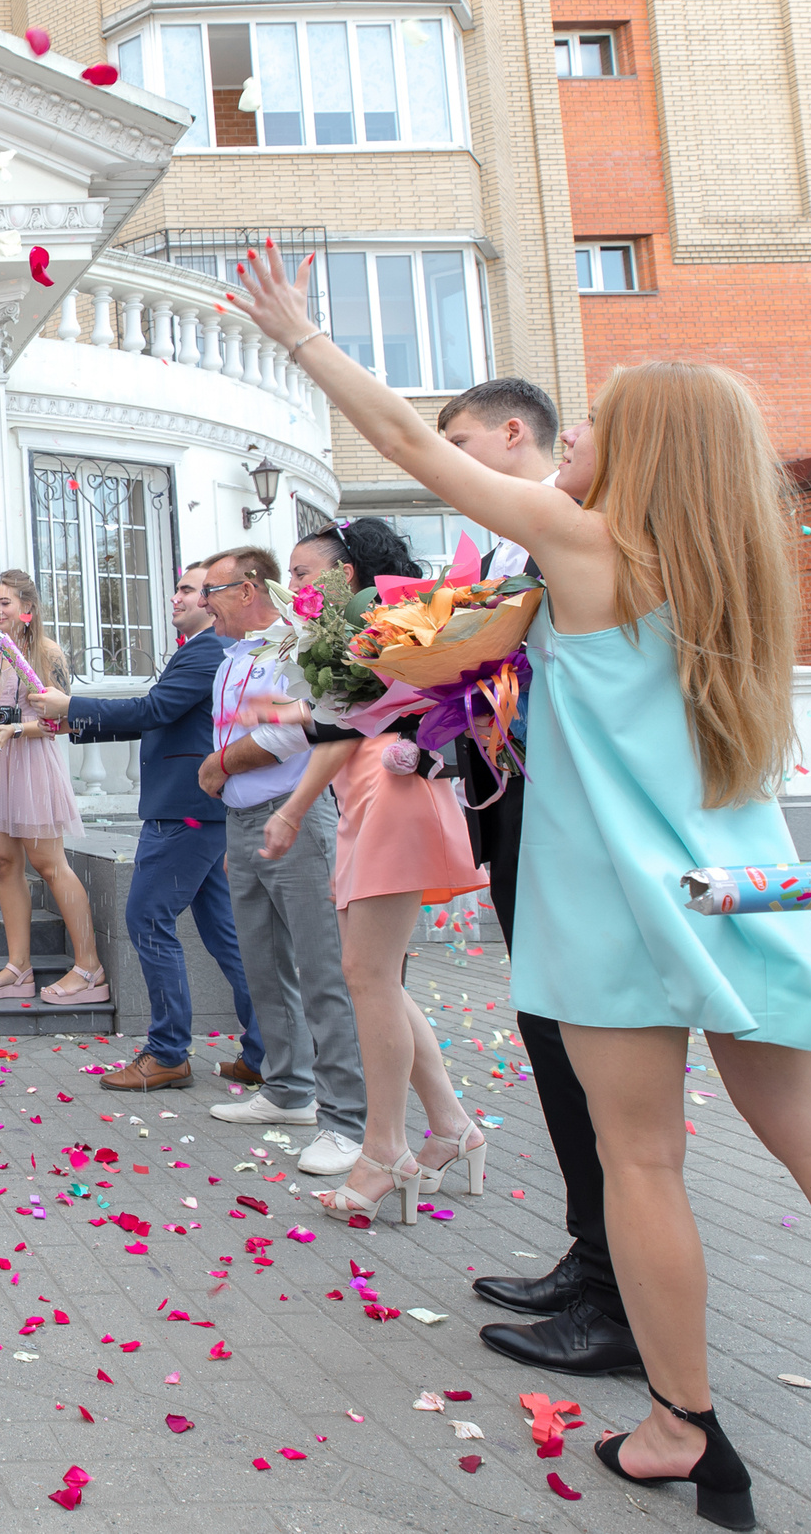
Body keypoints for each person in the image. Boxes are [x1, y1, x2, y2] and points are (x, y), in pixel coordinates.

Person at [235, 244, 811, 1529]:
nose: (566, 441)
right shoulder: (736, 576)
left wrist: (301, 337)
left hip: (622, 910)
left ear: (638, 456)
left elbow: (412, 440)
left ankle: (685, 1428)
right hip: (749, 894)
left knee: (641, 1162)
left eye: (592, 428)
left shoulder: (583, 548)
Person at [438, 383, 639, 1373]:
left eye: (462, 439)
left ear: (512, 434)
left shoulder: (574, 538)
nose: (454, 457)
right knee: (548, 1039)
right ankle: (591, 1251)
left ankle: (618, 1290)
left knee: (583, 1056)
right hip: (523, 814)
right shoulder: (514, 553)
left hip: (572, 830)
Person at [251, 521, 489, 1224]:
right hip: (373, 792)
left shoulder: (380, 626)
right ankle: (449, 1126)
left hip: (389, 790)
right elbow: (335, 718)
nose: (292, 586)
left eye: (303, 572)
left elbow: (342, 725)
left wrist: (292, 806)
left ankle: (386, 1147)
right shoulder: (372, 629)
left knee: (368, 975)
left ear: (346, 573)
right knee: (375, 974)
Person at [29, 562, 264, 1089]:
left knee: (147, 918)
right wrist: (71, 719)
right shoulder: (204, 651)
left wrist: (73, 706)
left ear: (216, 598)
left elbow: (154, 709)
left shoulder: (208, 650)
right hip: (196, 809)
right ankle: (266, 1051)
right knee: (225, 935)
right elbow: (162, 717)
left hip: (184, 810)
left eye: (188, 589)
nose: (175, 597)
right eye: (177, 587)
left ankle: (168, 1051)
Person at [193, 546, 364, 1180]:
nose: (202, 600)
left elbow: (303, 728)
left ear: (246, 590)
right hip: (243, 819)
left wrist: (222, 765)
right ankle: (288, 1088)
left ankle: (349, 1119)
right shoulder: (231, 653)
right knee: (263, 961)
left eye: (211, 589)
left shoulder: (298, 644)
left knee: (323, 968)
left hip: (296, 812)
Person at [0, 571, 106, 1007]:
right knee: (3, 862)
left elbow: (66, 720)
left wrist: (16, 729)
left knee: (49, 863)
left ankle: (90, 968)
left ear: (27, 608)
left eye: (6, 604)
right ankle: (19, 968)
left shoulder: (47, 652)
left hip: (31, 761)